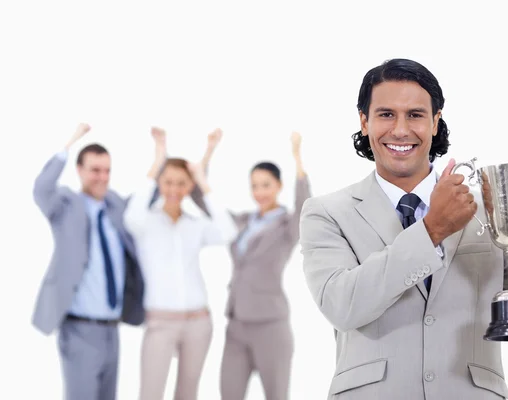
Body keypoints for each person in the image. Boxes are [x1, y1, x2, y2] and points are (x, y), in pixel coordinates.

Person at [299, 58, 508, 400]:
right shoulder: (326, 212)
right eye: (385, 114)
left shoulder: (486, 207)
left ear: (436, 122)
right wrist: (430, 231)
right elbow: (342, 306)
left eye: (415, 114)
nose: (400, 130)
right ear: (364, 122)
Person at [31, 123, 145, 400]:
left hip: (112, 329)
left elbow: (144, 202)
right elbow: (42, 189)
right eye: (95, 170)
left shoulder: (116, 205)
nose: (102, 177)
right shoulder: (65, 205)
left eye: (107, 170)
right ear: (80, 170)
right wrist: (69, 143)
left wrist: (160, 154)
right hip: (79, 329)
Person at [123, 127, 238, 400]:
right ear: (160, 183)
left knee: (188, 394)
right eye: (168, 182)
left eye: (181, 183)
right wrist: (158, 159)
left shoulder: (195, 225)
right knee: (150, 394)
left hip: (198, 322)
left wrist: (201, 179)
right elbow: (130, 215)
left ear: (188, 187)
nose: (174, 189)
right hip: (160, 322)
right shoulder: (145, 221)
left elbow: (228, 231)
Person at [204, 132, 311, 400]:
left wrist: (297, 157)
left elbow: (304, 206)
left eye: (266, 185)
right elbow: (205, 204)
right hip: (236, 325)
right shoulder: (241, 221)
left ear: (278, 186)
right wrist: (208, 152)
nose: (260, 192)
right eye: (255, 186)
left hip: (270, 326)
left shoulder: (287, 226)